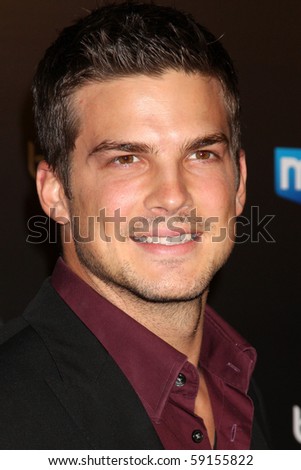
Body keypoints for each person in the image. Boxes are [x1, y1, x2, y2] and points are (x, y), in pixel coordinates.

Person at [0, 1, 269, 449]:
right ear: (55, 193)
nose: (172, 196)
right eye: (127, 159)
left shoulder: (239, 380)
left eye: (202, 154)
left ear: (239, 182)